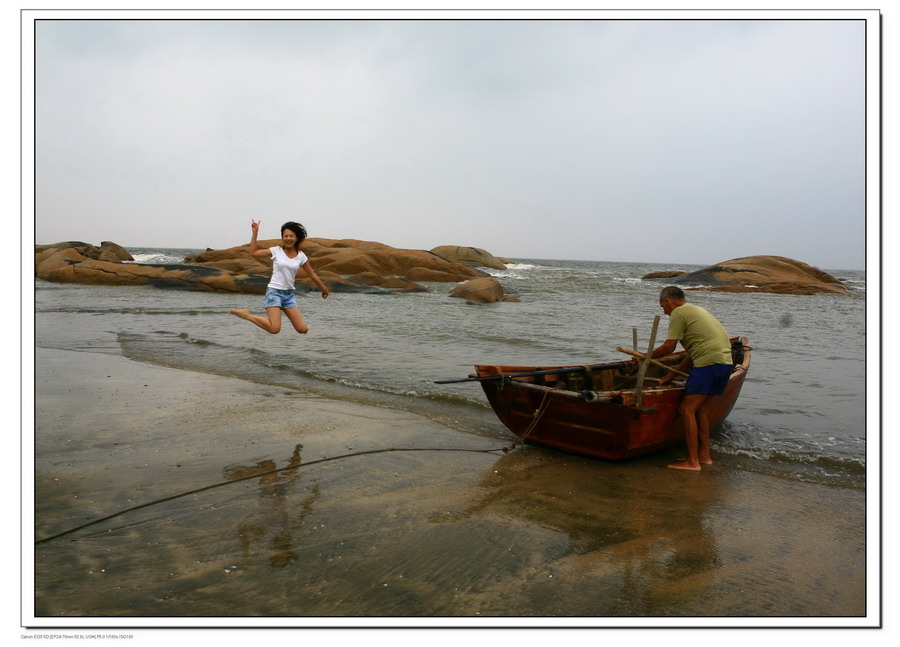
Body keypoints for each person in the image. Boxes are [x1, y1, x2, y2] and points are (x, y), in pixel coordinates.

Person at [648, 286, 733, 471]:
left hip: (708, 364)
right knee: (701, 411)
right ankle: (704, 456)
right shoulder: (697, 310)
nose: (663, 311)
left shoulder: (679, 312)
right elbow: (693, 352)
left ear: (669, 301)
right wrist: (672, 375)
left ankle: (692, 462)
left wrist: (645, 356)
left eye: (662, 305)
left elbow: (669, 347)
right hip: (724, 363)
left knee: (687, 410)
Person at [229, 220, 329, 334]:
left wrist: (323, 288)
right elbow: (253, 253)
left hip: (289, 295)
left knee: (302, 329)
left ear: (296, 238)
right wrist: (255, 233)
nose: (288, 238)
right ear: (282, 238)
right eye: (285, 236)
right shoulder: (276, 251)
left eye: (291, 236)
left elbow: (312, 274)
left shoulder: (301, 256)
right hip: (274, 292)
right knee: (274, 329)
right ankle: (246, 315)